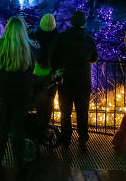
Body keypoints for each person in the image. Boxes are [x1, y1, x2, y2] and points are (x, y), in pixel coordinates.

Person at [0, 16, 34, 176]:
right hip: (22, 94)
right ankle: (19, 163)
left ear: (7, 29)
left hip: (1, 92)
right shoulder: (29, 47)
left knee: (1, 126)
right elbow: (31, 70)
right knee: (18, 128)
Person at [49, 10, 98, 149]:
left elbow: (53, 56)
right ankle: (82, 139)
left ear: (71, 22)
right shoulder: (89, 39)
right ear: (84, 23)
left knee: (65, 112)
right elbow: (94, 58)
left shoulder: (62, 37)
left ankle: (66, 139)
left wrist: (57, 69)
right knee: (82, 111)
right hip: (83, 80)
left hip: (66, 79)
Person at [29, 13, 61, 130]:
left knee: (36, 98)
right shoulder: (58, 39)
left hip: (36, 74)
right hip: (52, 76)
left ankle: (37, 123)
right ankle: (44, 125)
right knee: (49, 100)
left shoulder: (35, 37)